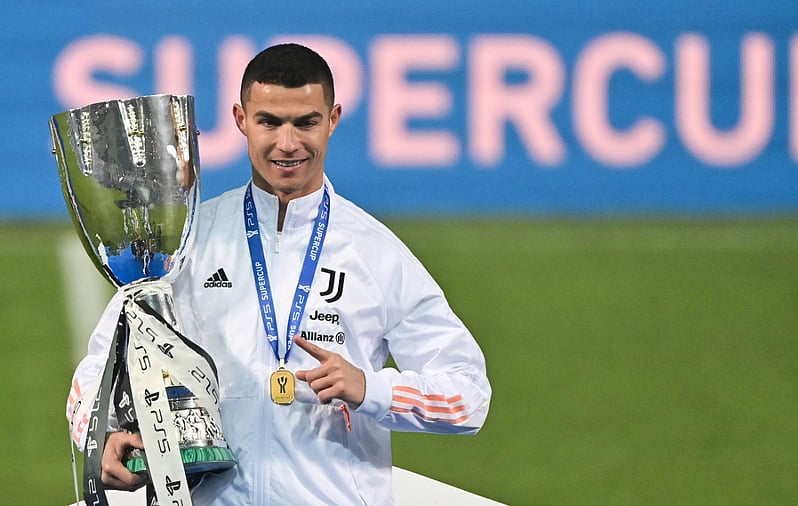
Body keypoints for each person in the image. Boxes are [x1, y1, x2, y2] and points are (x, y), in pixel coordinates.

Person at [66, 43, 492, 505]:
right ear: (241, 119)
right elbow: (95, 372)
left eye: (306, 122)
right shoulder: (188, 239)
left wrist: (372, 389)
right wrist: (100, 432)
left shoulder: (375, 252)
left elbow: (468, 396)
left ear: (332, 119)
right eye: (269, 121)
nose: (287, 143)